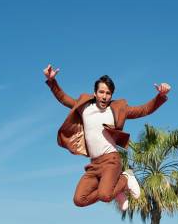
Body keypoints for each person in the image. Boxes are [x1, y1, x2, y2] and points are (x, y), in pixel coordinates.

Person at [44, 64, 171, 210]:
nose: (104, 96)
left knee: (105, 196)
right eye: (101, 92)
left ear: (112, 95)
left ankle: (125, 178)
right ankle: (116, 191)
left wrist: (160, 96)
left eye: (108, 93)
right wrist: (52, 81)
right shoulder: (85, 107)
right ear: (95, 93)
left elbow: (143, 110)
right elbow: (63, 98)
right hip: (93, 165)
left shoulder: (116, 109)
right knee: (79, 200)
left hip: (111, 160)